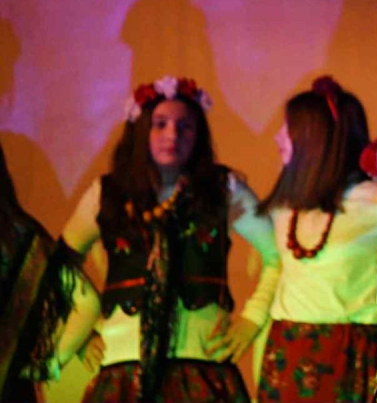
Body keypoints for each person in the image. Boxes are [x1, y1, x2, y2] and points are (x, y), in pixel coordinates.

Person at [61, 76, 281, 402]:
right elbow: (59, 263)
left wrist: (252, 320)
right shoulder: (107, 193)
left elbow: (279, 256)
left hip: (201, 367)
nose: (172, 135)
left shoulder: (223, 189)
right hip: (124, 368)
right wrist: (81, 333)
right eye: (160, 124)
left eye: (185, 126)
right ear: (141, 131)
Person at [256, 76, 377, 402]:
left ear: (315, 138)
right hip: (287, 350)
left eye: (289, 127)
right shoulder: (286, 207)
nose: (278, 136)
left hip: (350, 355)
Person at [0, 142, 101, 402]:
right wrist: (50, 364)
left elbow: (87, 302)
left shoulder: (23, 239)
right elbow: (87, 301)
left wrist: (50, 364)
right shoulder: (25, 236)